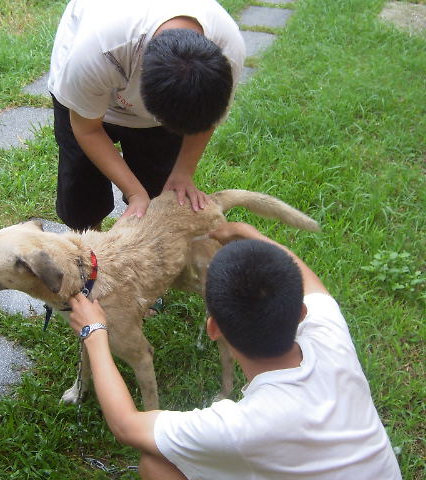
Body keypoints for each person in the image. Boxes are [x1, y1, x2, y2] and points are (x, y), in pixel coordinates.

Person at [69, 222, 402, 479]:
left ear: (213, 329)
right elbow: (309, 279)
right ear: (303, 312)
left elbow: (126, 426)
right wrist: (253, 235)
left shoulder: (238, 426)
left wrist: (94, 333)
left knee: (155, 464)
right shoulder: (331, 338)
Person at [48, 0, 246, 231]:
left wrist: (183, 172)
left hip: (137, 77)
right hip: (88, 86)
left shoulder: (228, 53)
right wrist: (134, 193)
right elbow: (87, 129)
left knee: (156, 191)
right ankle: (88, 244)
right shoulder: (96, 50)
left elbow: (206, 118)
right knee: (81, 197)